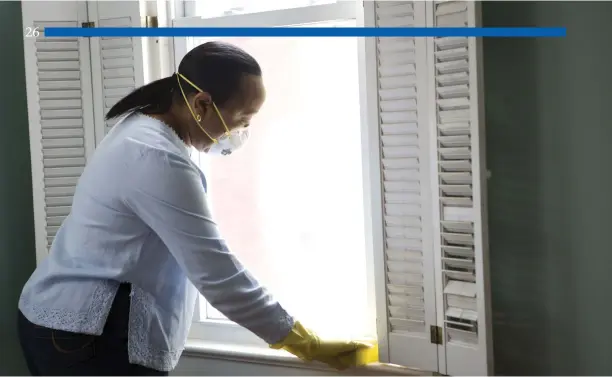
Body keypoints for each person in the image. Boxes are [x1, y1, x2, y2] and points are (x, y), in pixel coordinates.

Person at [17, 41, 373, 376]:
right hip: (82, 336)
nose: (242, 131)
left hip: (75, 328)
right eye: (243, 119)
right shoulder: (155, 156)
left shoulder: (144, 129)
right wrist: (302, 341)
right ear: (201, 104)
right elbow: (216, 273)